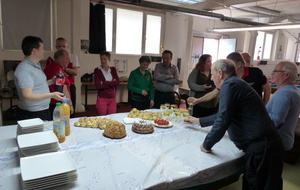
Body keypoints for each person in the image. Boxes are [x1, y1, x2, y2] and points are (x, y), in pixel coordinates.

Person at [185, 59, 284, 190]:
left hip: (263, 147)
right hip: (264, 145)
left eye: (213, 75)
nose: (212, 79)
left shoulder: (230, 85)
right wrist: (199, 121)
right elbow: (226, 113)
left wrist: (206, 144)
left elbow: (224, 118)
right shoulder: (235, 83)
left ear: (220, 73)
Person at [14, 36, 66, 121]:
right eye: (42, 48)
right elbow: (27, 96)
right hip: (32, 114)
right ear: (35, 51)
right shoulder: (25, 69)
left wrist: (51, 82)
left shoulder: (35, 66)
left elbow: (36, 85)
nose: (44, 51)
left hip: (41, 111)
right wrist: (52, 95)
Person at [191, 52, 271, 105]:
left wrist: (265, 105)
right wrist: (198, 100)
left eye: (230, 64)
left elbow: (267, 89)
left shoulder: (256, 72)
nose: (227, 67)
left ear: (239, 64)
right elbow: (215, 92)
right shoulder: (229, 76)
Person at [266, 61, 300, 151]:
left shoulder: (284, 94)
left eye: (275, 71)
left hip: (275, 144)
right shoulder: (290, 90)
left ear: (286, 75)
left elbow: (275, 121)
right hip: (279, 142)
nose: (272, 73)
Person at [44, 49, 74, 118]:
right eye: (67, 59)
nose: (69, 61)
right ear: (60, 59)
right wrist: (70, 105)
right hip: (57, 103)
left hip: (49, 102)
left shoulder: (48, 67)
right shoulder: (58, 70)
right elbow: (64, 88)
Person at [55, 37, 80, 118]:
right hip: (58, 85)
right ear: (56, 47)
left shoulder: (73, 57)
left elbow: (75, 72)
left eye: (63, 46)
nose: (61, 48)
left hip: (70, 85)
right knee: (59, 108)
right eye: (59, 46)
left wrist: (63, 68)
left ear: (67, 47)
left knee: (71, 109)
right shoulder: (54, 56)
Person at [94, 51, 120, 116]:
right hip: (102, 98)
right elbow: (98, 86)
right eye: (101, 59)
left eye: (105, 59)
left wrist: (103, 82)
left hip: (112, 98)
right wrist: (111, 83)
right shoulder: (97, 70)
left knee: (112, 117)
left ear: (109, 60)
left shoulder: (113, 69)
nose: (103, 61)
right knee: (102, 117)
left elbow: (117, 82)